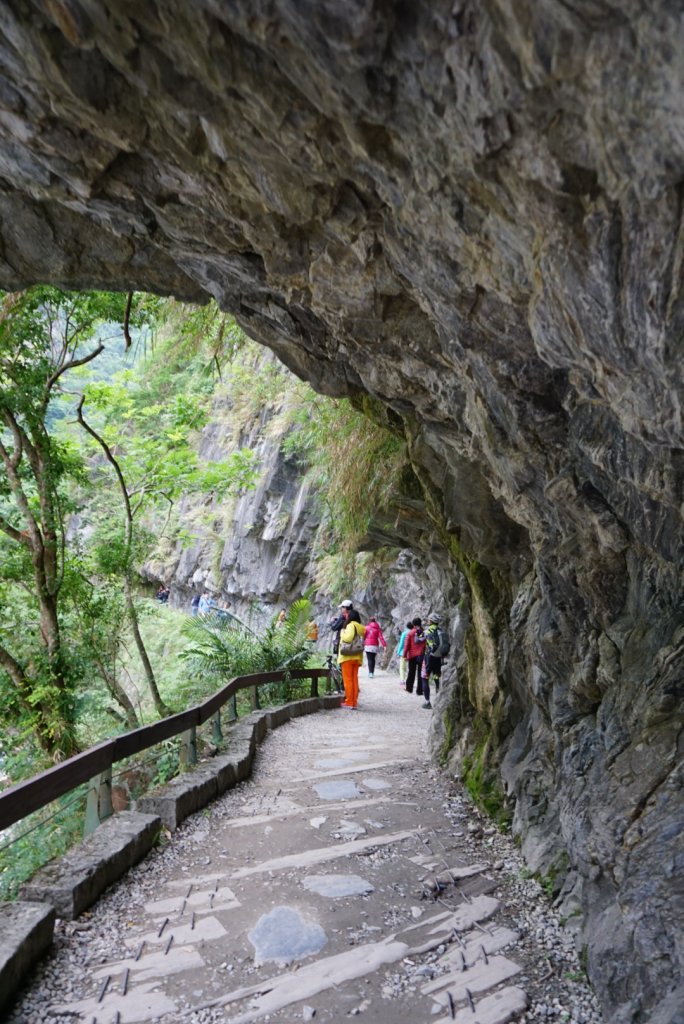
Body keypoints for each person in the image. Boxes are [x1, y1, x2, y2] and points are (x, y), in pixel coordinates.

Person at [338, 609, 366, 709]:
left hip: (348, 656)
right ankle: (354, 702)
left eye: (347, 615)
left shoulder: (350, 625)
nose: (346, 617)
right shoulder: (361, 627)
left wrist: (342, 632)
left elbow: (348, 638)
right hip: (357, 656)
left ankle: (349, 702)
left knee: (348, 680)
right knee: (354, 680)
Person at [421, 613, 450, 709]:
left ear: (431, 621)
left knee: (425, 677)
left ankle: (427, 702)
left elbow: (419, 640)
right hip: (439, 657)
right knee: (436, 676)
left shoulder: (427, 631)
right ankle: (439, 699)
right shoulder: (441, 630)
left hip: (429, 657)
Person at [404, 617, 426, 695]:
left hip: (412, 655)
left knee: (411, 672)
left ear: (413, 624)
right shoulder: (422, 632)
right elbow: (425, 644)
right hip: (421, 655)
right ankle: (419, 691)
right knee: (420, 673)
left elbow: (406, 645)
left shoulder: (410, 633)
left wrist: (404, 655)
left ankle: (409, 688)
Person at [396, 621, 412, 687]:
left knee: (402, 667)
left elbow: (401, 644)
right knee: (410, 667)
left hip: (404, 652)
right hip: (411, 653)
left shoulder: (404, 633)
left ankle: (402, 680)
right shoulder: (414, 633)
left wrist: (398, 652)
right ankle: (410, 680)